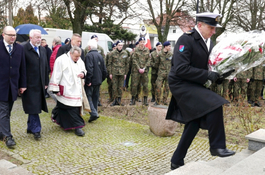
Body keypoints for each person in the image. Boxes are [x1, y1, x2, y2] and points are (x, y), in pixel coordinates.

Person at [166, 12, 235, 170]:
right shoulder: (186, 39)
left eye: (214, 28)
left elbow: (207, 66)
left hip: (195, 83)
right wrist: (207, 75)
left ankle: (177, 160)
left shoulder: (209, 42)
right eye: (211, 27)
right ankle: (217, 146)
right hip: (181, 83)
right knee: (215, 103)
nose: (213, 31)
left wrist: (218, 75)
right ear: (200, 25)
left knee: (194, 121)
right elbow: (181, 68)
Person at [48, 46, 87, 136]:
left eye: (79, 56)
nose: (77, 58)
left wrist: (83, 74)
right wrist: (55, 88)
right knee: (69, 107)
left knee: (72, 107)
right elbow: (56, 74)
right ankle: (78, 126)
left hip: (76, 88)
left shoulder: (79, 60)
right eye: (76, 56)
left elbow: (83, 69)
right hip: (66, 88)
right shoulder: (61, 60)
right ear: (71, 53)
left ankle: (58, 117)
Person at [0, 26, 27, 148]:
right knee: (4, 111)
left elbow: (23, 68)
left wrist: (22, 85)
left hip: (13, 86)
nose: (13, 37)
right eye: (10, 35)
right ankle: (7, 137)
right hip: (1, 86)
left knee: (7, 111)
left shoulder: (19, 49)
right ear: (3, 34)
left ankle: (1, 132)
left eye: (14, 35)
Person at [21, 29, 49, 140]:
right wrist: (22, 84)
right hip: (29, 83)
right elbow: (21, 68)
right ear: (31, 37)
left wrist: (46, 82)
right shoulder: (24, 49)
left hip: (40, 83)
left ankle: (30, 127)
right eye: (37, 37)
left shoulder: (42, 49)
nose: (39, 39)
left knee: (35, 105)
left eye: (40, 37)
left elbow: (45, 66)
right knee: (34, 107)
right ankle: (36, 130)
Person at [85, 39, 107, 122]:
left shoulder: (88, 56)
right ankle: (94, 113)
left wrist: (88, 80)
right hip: (98, 81)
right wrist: (101, 79)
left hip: (92, 81)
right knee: (95, 97)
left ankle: (93, 113)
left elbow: (89, 69)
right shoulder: (100, 56)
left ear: (89, 47)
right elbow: (104, 70)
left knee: (88, 97)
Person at [130, 37, 151, 106]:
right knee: (134, 85)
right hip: (136, 70)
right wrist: (139, 68)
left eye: (143, 42)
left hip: (144, 71)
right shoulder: (135, 50)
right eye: (141, 42)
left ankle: (145, 100)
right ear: (139, 42)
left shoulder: (147, 50)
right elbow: (134, 60)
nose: (142, 43)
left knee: (145, 85)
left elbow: (149, 60)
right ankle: (133, 99)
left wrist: (144, 68)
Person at [108, 40, 129, 106]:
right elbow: (109, 63)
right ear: (116, 46)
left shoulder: (125, 53)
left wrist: (125, 73)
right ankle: (114, 100)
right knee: (114, 86)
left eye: (121, 45)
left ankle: (119, 100)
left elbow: (127, 64)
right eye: (119, 45)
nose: (120, 46)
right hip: (114, 72)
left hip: (122, 73)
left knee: (120, 87)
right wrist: (110, 73)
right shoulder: (112, 53)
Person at [154, 41, 173, 105]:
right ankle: (157, 100)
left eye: (170, 46)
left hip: (169, 73)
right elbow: (156, 64)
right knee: (158, 86)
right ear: (165, 47)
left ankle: (165, 100)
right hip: (161, 73)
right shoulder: (160, 54)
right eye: (169, 46)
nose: (170, 47)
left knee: (167, 88)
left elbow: (173, 63)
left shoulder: (171, 54)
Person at [49, 36, 62, 101]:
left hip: (54, 73)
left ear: (54, 42)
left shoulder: (56, 50)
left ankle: (59, 103)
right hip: (54, 72)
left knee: (50, 90)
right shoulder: (58, 49)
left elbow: (53, 63)